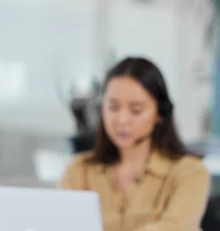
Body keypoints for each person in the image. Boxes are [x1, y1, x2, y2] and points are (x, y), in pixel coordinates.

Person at [59, 57, 210, 231]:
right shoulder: (79, 170)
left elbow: (174, 227)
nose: (122, 120)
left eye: (136, 110)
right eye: (113, 107)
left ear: (159, 113)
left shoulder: (189, 172)